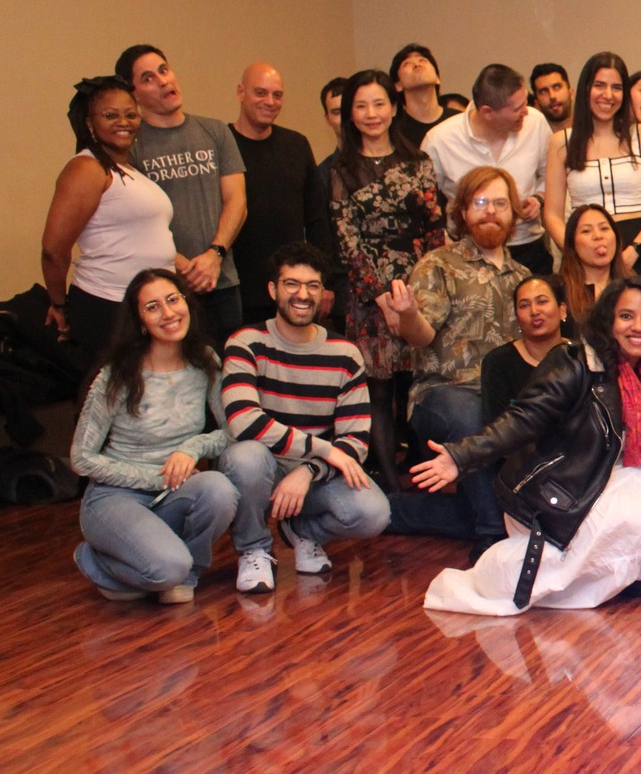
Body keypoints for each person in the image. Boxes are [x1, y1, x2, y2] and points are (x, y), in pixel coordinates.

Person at [413, 276, 641, 615]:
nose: (638, 327)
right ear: (608, 321)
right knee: (623, 522)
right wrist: (461, 457)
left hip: (617, 471)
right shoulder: (575, 362)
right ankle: (507, 574)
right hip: (566, 487)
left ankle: (632, 573)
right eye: (626, 316)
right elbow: (523, 419)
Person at [219, 243, 390, 592]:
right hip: (261, 467)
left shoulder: (345, 354)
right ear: (273, 290)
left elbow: (355, 441)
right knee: (245, 456)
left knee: (374, 512)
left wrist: (309, 469)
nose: (302, 294)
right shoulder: (245, 342)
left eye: (312, 285)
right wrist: (323, 450)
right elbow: (244, 421)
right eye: (291, 284)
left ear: (323, 293)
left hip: (312, 475)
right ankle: (254, 549)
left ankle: (302, 531)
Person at [379, 166, 529, 544]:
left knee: (480, 503)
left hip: (505, 400)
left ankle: (389, 510)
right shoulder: (438, 264)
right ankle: (493, 534)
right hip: (443, 395)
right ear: (463, 211)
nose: (490, 211)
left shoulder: (524, 278)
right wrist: (408, 314)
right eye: (480, 202)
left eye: (500, 203)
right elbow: (420, 336)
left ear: (513, 212)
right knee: (472, 416)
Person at [67, 269, 236, 604]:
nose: (168, 313)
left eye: (173, 300)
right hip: (115, 497)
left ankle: (185, 573)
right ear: (140, 321)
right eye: (153, 307)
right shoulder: (117, 374)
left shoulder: (205, 361)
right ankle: (96, 560)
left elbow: (232, 431)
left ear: (186, 303)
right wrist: (154, 479)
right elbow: (81, 458)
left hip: (173, 492)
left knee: (219, 489)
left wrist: (193, 447)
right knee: (165, 569)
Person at [324, 67, 445, 478]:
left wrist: (419, 296)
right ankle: (391, 488)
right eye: (361, 106)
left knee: (418, 384)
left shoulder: (418, 162)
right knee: (377, 391)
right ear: (350, 114)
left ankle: (422, 476)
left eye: (379, 104)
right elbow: (347, 240)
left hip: (419, 284)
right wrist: (384, 300)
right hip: (369, 294)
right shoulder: (341, 168)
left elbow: (434, 229)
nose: (371, 113)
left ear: (394, 108)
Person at [116, 44, 249, 340]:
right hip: (167, 290)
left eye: (164, 70)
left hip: (222, 280)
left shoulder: (215, 131)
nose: (163, 81)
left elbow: (237, 202)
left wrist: (215, 255)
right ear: (133, 93)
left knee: (229, 363)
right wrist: (184, 267)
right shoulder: (132, 147)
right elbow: (135, 222)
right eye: (148, 78)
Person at [42, 75, 176, 362]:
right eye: (110, 115)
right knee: (117, 388)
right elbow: (53, 249)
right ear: (90, 123)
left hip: (146, 304)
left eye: (131, 114)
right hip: (109, 306)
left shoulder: (128, 169)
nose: (123, 122)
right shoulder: (87, 168)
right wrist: (59, 305)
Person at [543, 52, 641, 280]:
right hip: (583, 259)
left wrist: (634, 251)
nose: (608, 95)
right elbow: (552, 215)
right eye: (599, 86)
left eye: (617, 87)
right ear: (585, 89)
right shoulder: (562, 142)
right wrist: (578, 254)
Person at [421, 64, 553, 275]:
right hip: (468, 253)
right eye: (517, 109)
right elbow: (425, 204)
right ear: (487, 112)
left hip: (527, 245)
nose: (526, 112)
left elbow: (551, 174)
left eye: (525, 103)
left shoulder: (535, 123)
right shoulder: (439, 141)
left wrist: (539, 198)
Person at [229, 63, 332, 325]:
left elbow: (317, 219)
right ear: (240, 92)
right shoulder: (223, 144)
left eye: (277, 95)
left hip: (293, 289)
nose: (270, 101)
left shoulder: (296, 144)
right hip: (239, 288)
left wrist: (325, 281)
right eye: (260, 93)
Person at [480, 274, 568, 423]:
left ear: (562, 310)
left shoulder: (582, 356)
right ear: (517, 317)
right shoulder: (498, 362)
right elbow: (496, 426)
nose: (534, 311)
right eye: (524, 305)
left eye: (542, 301)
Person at [559, 204, 621, 327]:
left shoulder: (634, 287)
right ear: (572, 243)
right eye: (586, 231)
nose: (598, 236)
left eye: (604, 228)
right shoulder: (558, 291)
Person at [390, 42, 451, 146]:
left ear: (437, 78)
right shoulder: (392, 129)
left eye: (423, 60)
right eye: (407, 64)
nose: (417, 65)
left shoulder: (459, 120)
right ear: (398, 85)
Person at [530, 61, 573, 134]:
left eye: (557, 87)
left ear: (571, 93)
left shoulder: (591, 131)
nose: (552, 96)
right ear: (536, 103)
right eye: (543, 91)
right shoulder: (533, 137)